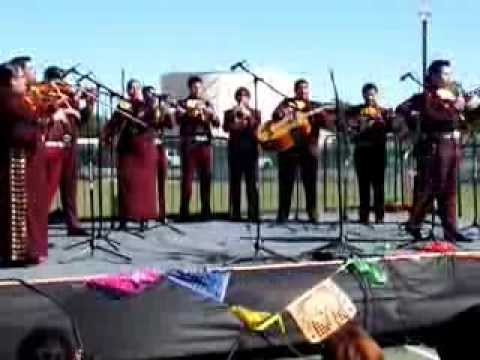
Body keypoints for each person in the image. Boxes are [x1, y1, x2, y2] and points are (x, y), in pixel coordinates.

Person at [395, 59, 466, 242]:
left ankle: (450, 230)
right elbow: (434, 116)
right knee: (433, 187)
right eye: (444, 74)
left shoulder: (452, 95)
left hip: (454, 144)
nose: (448, 77)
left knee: (450, 189)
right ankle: (414, 223)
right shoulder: (427, 97)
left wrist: (469, 106)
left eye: (450, 74)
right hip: (436, 145)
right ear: (433, 76)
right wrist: (454, 109)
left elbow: (464, 120)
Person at [0, 61, 50, 264]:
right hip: (15, 162)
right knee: (20, 208)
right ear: (11, 81)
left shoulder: (15, 99)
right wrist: (43, 123)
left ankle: (29, 250)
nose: (25, 82)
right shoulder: (8, 100)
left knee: (32, 206)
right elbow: (19, 130)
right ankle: (21, 252)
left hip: (26, 159)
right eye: (21, 78)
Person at [43, 66, 93, 236]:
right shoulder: (46, 96)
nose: (63, 83)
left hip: (70, 145)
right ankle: (38, 224)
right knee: (47, 187)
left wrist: (89, 103)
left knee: (70, 187)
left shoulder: (69, 98)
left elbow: (82, 119)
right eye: (59, 79)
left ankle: (73, 223)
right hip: (53, 146)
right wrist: (66, 108)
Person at [101, 79, 158, 227]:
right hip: (127, 149)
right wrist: (106, 136)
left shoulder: (148, 105)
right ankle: (125, 216)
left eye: (134, 88)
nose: (131, 90)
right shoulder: (124, 105)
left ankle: (143, 217)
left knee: (145, 185)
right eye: (129, 88)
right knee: (126, 183)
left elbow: (154, 121)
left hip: (143, 148)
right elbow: (114, 122)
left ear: (138, 89)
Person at [272, 79, 329, 223]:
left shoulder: (315, 106)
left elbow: (325, 121)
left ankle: (312, 212)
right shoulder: (287, 103)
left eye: (306, 89)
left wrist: (321, 116)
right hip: (288, 148)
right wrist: (283, 113)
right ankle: (283, 213)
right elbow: (275, 116)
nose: (303, 91)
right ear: (295, 90)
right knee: (286, 182)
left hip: (308, 149)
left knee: (310, 183)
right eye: (300, 88)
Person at [347, 83, 393, 224]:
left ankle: (379, 216)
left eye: (372, 94)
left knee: (379, 185)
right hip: (362, 151)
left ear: (376, 95)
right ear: (363, 95)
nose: (370, 97)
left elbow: (391, 128)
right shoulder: (356, 111)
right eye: (367, 94)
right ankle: (364, 216)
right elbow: (350, 129)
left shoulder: (383, 112)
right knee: (363, 185)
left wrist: (387, 121)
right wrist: (361, 125)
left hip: (378, 151)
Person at [176, 75, 220, 220]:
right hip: (190, 145)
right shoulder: (183, 103)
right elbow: (178, 120)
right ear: (190, 88)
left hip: (205, 145)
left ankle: (206, 211)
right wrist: (186, 113)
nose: (197, 89)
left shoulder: (207, 103)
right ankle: (184, 212)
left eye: (199, 87)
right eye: (194, 87)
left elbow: (217, 123)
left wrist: (212, 115)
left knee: (206, 179)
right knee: (187, 179)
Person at [223, 87, 260, 221]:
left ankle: (253, 212)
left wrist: (248, 115)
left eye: (244, 96)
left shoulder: (256, 113)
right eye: (238, 96)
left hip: (250, 152)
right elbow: (226, 128)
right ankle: (235, 212)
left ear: (248, 98)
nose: (241, 98)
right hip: (235, 151)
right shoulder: (229, 112)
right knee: (235, 183)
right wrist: (234, 116)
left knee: (252, 183)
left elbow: (256, 127)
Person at [143, 86, 174, 223]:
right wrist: (152, 109)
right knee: (148, 182)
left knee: (162, 179)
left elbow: (170, 125)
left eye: (154, 93)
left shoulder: (160, 109)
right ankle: (147, 213)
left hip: (160, 146)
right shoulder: (143, 110)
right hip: (147, 146)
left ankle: (162, 213)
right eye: (150, 93)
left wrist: (166, 110)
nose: (153, 96)